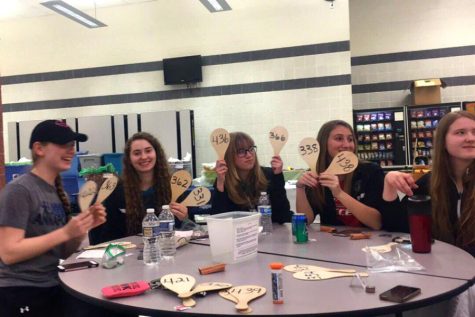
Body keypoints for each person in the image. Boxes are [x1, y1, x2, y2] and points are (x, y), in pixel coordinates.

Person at [0, 120, 106, 317]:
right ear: (39, 148)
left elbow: (62, 252)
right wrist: (65, 232)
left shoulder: (59, 194)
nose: (71, 151)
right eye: (63, 145)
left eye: (72, 145)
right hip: (20, 291)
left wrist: (82, 229)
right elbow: (9, 252)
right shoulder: (19, 190)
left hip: (53, 285)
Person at [382, 111, 475, 256]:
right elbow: (396, 228)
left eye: (474, 132)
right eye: (461, 132)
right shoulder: (427, 184)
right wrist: (389, 183)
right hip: (441, 271)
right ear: (442, 141)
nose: (470, 138)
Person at [89, 132, 189, 244]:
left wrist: (184, 218)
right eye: (137, 153)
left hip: (167, 251)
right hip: (127, 255)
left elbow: (189, 231)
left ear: (156, 153)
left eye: (148, 151)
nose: (144, 157)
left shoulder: (174, 187)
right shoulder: (116, 191)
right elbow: (102, 234)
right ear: (129, 159)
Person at [296, 120, 384, 229]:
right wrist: (300, 188)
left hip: (371, 242)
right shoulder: (316, 175)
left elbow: (376, 223)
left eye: (350, 139)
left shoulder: (371, 172)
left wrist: (339, 193)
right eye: (339, 138)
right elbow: (306, 221)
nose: (347, 145)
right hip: (333, 242)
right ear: (324, 143)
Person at [211, 131, 292, 223]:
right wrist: (220, 185)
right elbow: (218, 221)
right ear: (229, 156)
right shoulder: (223, 181)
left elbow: (284, 217)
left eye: (251, 149)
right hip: (240, 235)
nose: (249, 155)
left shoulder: (269, 175)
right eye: (241, 151)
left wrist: (278, 177)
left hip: (269, 234)